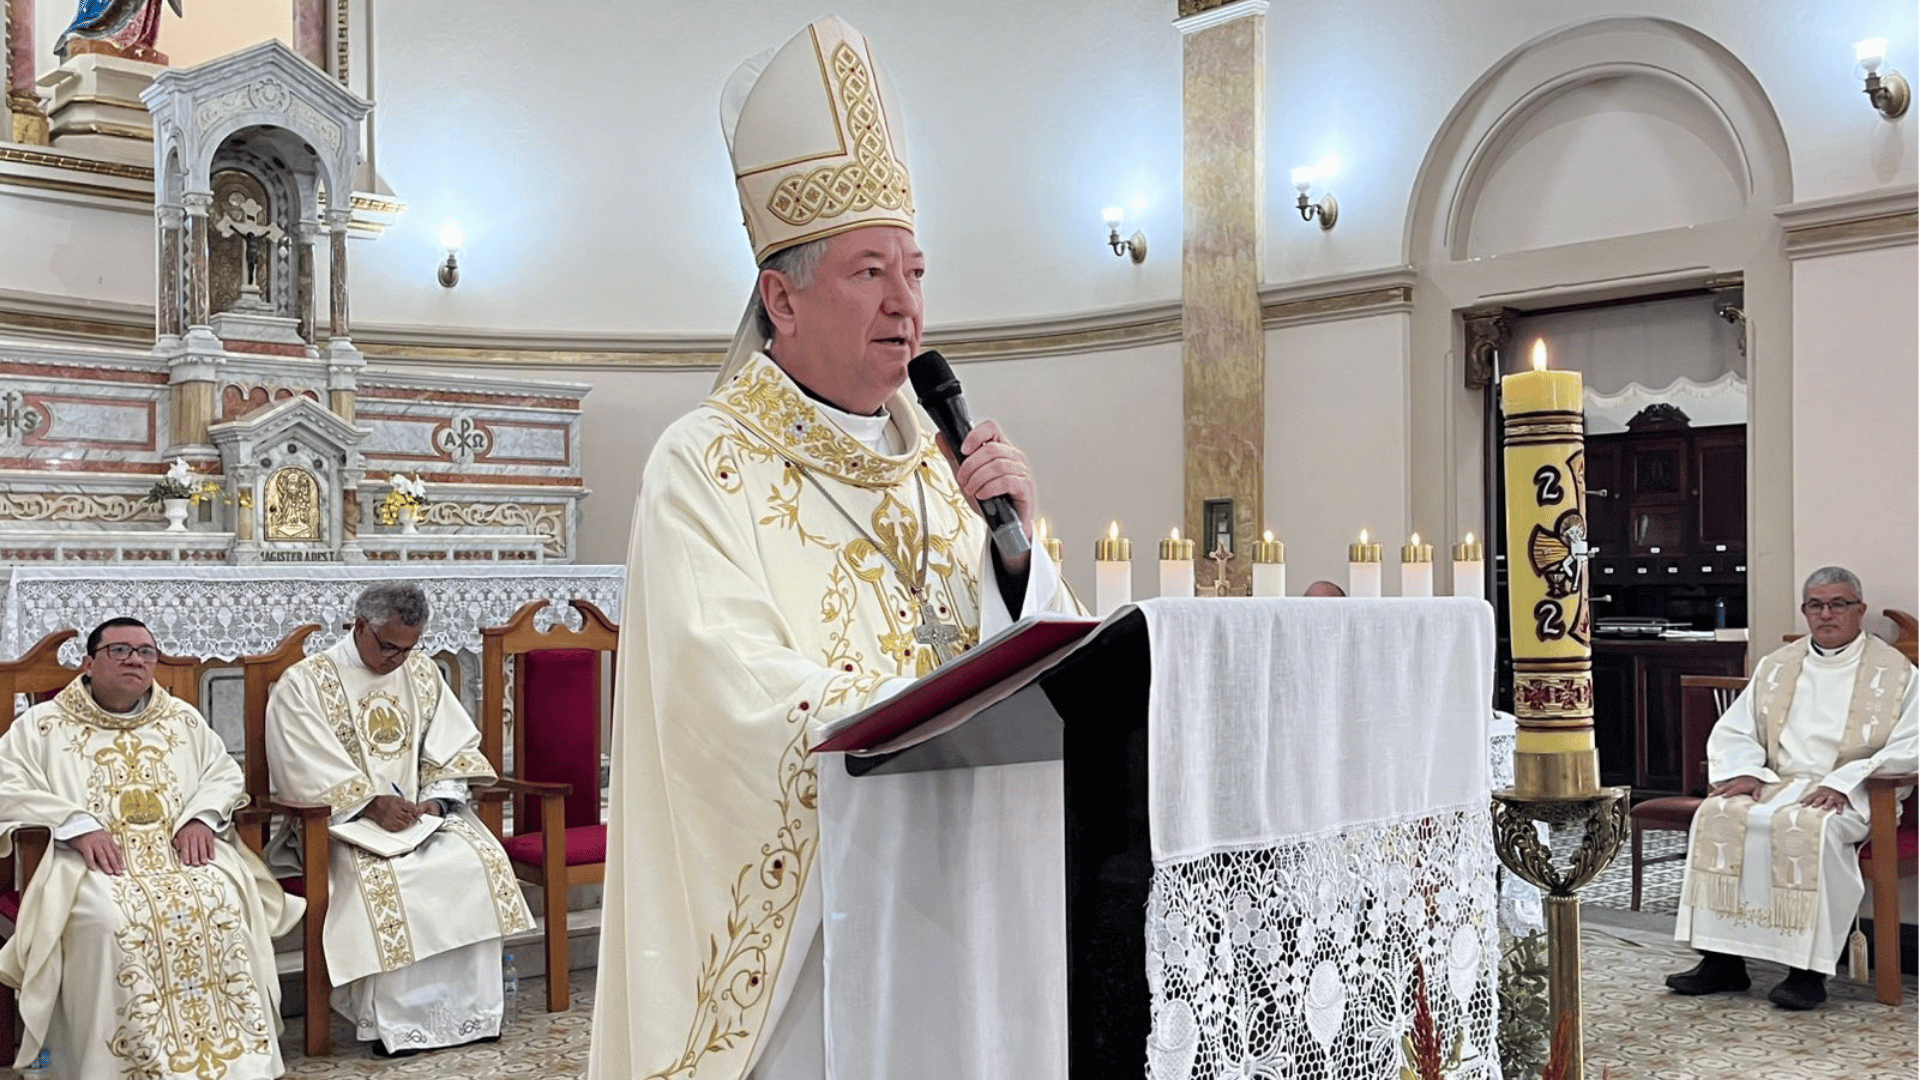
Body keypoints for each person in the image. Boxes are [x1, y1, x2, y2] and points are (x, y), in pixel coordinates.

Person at [589, 16, 1078, 1080]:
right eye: (870, 273)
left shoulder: (939, 472)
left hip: (959, 898)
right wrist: (892, 722)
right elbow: (720, 688)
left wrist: (1013, 557)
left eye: (914, 271)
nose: (906, 304)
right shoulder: (702, 465)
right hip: (817, 942)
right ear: (782, 295)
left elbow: (1038, 664)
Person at [0, 617, 301, 1079]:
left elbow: (222, 773)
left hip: (184, 854)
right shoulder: (43, 727)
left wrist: (201, 817)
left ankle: (236, 1061)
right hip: (90, 863)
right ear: (88, 662)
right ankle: (112, 1065)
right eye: (119, 650)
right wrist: (74, 824)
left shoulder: (181, 719)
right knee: (109, 920)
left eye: (145, 652)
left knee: (222, 902)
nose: (135, 660)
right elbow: (7, 783)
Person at [263, 583, 532, 1056]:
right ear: (360, 626)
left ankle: (473, 1016)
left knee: (473, 862)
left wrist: (438, 801)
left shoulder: (422, 673)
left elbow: (454, 748)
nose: (397, 660)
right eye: (388, 646)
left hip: (419, 817)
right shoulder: (306, 682)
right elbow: (298, 765)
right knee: (396, 879)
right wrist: (369, 804)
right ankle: (396, 1026)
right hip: (340, 827)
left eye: (409, 648)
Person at [1668, 566, 1917, 1008]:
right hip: (1777, 783)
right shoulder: (1778, 665)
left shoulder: (1895, 672)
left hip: (1854, 794)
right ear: (1805, 612)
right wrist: (1745, 772)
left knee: (1810, 829)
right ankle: (1722, 961)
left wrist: (1843, 784)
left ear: (1858, 610)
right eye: (1816, 605)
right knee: (1718, 813)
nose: (1826, 614)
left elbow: (1912, 741)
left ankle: (1808, 972)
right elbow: (1736, 730)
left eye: (1838, 604)